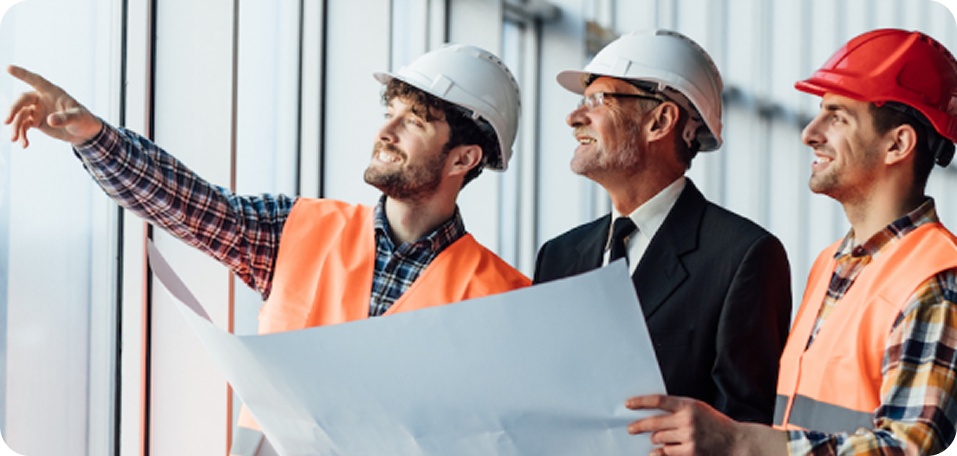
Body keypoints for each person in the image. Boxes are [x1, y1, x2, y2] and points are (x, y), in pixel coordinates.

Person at [5, 43, 531, 456]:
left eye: (414, 121)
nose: (386, 131)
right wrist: (93, 136)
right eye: (390, 112)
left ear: (463, 159)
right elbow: (189, 205)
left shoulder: (510, 302)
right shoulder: (299, 228)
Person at [626, 28, 957, 456]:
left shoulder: (936, 279)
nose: (810, 133)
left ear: (898, 144)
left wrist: (739, 441)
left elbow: (911, 447)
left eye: (838, 116)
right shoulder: (831, 264)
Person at [533, 29, 792, 425]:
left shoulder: (742, 256)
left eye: (597, 100)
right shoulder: (558, 256)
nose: (574, 117)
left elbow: (741, 431)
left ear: (660, 121)